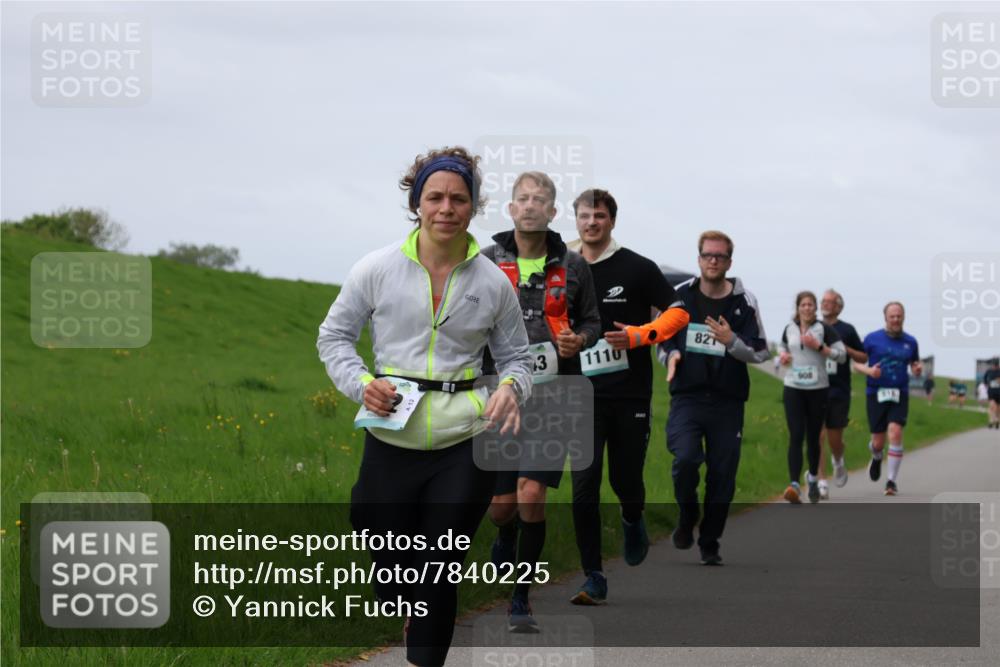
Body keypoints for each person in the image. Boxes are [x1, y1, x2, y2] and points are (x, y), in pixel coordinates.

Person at [317, 146, 534, 667]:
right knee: (376, 531)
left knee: (440, 564)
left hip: (465, 438)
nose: (446, 208)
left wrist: (509, 388)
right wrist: (362, 383)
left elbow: (519, 358)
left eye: (458, 198)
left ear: (473, 206)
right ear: (416, 203)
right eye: (434, 197)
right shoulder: (376, 268)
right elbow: (334, 338)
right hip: (391, 432)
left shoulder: (492, 282)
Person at [482, 171, 602, 632]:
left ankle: (520, 599)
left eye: (540, 200)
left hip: (554, 396)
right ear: (511, 209)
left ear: (553, 213)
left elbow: (591, 320)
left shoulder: (574, 266)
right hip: (499, 396)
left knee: (532, 494)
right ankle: (505, 535)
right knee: (502, 506)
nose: (530, 206)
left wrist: (580, 339)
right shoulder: (487, 262)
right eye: (522, 199)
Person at [566, 188, 689, 603]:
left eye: (599, 215)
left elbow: (678, 311)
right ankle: (593, 575)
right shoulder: (562, 266)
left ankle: (633, 516)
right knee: (583, 486)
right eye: (584, 215)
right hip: (579, 395)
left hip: (628, 395)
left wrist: (641, 335)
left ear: (612, 221)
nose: (592, 222)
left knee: (624, 479)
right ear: (576, 219)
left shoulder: (637, 267)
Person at [658, 231, 770, 565]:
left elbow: (761, 351)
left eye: (720, 257)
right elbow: (662, 337)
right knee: (686, 460)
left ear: (729, 262)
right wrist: (671, 357)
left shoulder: (744, 301)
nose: (713, 261)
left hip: (727, 401)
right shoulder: (680, 297)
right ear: (699, 259)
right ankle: (687, 514)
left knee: (722, 475)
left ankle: (710, 541)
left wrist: (731, 339)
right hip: (688, 398)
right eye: (708, 255)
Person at [777, 292, 847, 503]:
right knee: (796, 435)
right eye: (803, 304)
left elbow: (841, 355)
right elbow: (782, 346)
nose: (807, 308)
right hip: (793, 387)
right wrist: (783, 355)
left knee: (813, 438)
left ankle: (814, 479)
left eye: (811, 305)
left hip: (818, 389)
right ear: (797, 307)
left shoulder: (825, 329)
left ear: (815, 309)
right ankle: (794, 485)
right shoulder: (789, 328)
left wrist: (819, 347)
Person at [853, 301, 922, 496]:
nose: (896, 319)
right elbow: (856, 364)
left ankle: (891, 481)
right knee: (878, 441)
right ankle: (876, 456)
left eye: (899, 316)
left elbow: (915, 364)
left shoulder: (911, 341)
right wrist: (869, 370)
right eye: (892, 316)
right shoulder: (872, 339)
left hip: (900, 392)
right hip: (875, 393)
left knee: (896, 432)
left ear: (904, 317)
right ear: (885, 318)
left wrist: (917, 369)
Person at [816, 289, 867, 499]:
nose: (825, 304)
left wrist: (845, 349)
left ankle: (838, 460)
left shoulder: (847, 329)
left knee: (835, 438)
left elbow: (863, 357)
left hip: (838, 390)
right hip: (814, 388)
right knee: (817, 436)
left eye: (830, 301)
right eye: (823, 301)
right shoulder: (813, 327)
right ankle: (821, 481)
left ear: (839, 306)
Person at [985, 358, 1000, 429]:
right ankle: (991, 421)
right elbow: (984, 379)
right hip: (991, 392)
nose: (995, 366)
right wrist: (987, 384)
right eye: (994, 365)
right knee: (991, 406)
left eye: (996, 365)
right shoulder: (989, 371)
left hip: (999, 392)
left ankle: (997, 420)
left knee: (998, 408)